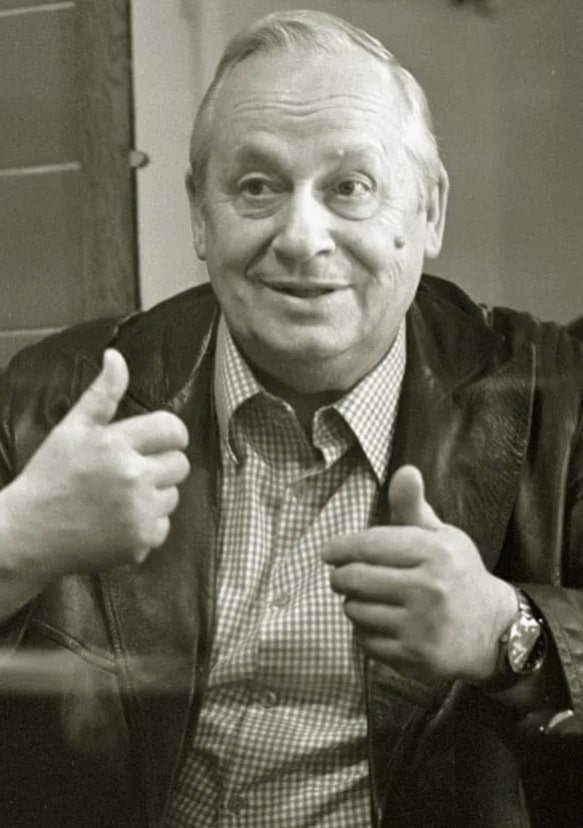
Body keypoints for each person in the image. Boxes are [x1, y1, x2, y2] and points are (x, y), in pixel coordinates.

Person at [0, 9, 582, 828]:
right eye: (256, 187)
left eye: (350, 187)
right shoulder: (53, 398)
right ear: (200, 216)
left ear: (428, 211)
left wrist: (507, 631)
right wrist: (15, 544)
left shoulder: (557, 392)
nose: (302, 238)